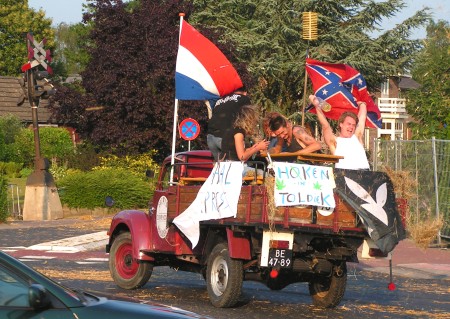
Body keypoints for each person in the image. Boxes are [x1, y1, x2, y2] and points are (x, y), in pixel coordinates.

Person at [309, 95, 370, 170]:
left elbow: (362, 117)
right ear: (341, 124)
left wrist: (362, 104)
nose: (351, 127)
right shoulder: (334, 141)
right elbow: (325, 125)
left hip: (365, 173)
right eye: (349, 124)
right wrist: (317, 106)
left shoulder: (357, 137)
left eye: (353, 125)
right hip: (345, 175)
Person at [221, 105, 270, 174]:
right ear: (249, 120)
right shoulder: (239, 133)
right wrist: (257, 148)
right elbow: (242, 157)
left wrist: (254, 147)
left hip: (227, 166)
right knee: (265, 175)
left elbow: (237, 151)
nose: (255, 124)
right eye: (254, 122)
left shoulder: (234, 130)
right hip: (233, 168)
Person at [207, 87, 250, 161]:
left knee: (221, 168)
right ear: (245, 92)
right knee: (236, 164)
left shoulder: (220, 100)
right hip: (225, 137)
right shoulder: (244, 98)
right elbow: (248, 116)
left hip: (210, 138)